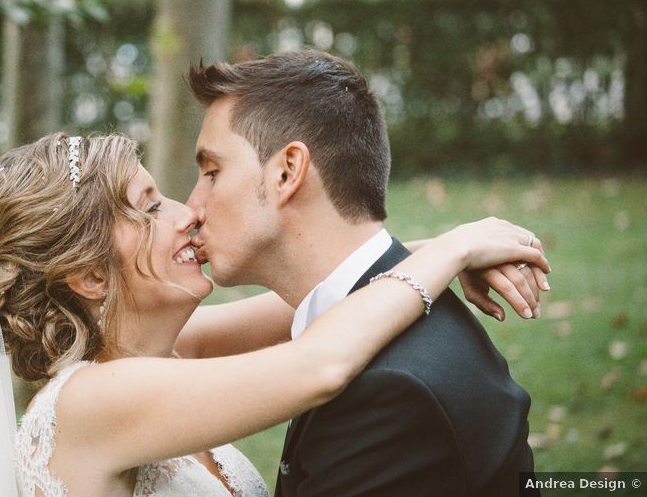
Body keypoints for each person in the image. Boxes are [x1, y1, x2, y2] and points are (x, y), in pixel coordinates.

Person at [0, 131, 550, 497]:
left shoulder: (165, 354)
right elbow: (321, 363)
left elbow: (332, 286)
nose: (187, 212)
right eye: (150, 205)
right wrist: (462, 244)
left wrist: (434, 254)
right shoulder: (91, 402)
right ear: (89, 275)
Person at [185, 49, 544, 496]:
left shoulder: (389, 394)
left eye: (212, 172)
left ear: (287, 172)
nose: (192, 208)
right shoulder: (382, 310)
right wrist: (447, 250)